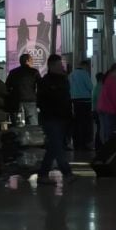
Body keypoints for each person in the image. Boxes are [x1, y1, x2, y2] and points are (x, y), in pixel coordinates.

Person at [36, 54, 77, 185]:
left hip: (63, 118)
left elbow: (67, 99)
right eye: (59, 65)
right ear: (52, 66)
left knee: (53, 147)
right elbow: (41, 102)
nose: (62, 67)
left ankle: (42, 174)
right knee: (57, 147)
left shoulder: (64, 80)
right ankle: (67, 173)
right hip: (51, 119)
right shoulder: (45, 82)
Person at [6, 53, 41, 126]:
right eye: (31, 60)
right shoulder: (34, 72)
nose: (32, 62)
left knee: (17, 125)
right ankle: (31, 137)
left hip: (16, 102)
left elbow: (7, 86)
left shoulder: (13, 72)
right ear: (27, 61)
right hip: (31, 101)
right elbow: (40, 86)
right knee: (33, 125)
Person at [68, 60, 94, 150]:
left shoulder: (71, 74)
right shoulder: (84, 73)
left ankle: (76, 143)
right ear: (85, 66)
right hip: (85, 101)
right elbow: (90, 87)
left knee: (76, 122)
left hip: (74, 101)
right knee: (85, 123)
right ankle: (84, 143)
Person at [97, 63, 116, 144]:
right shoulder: (114, 80)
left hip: (101, 107)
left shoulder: (107, 78)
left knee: (103, 129)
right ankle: (108, 149)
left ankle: (103, 147)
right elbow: (114, 98)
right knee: (110, 130)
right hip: (109, 109)